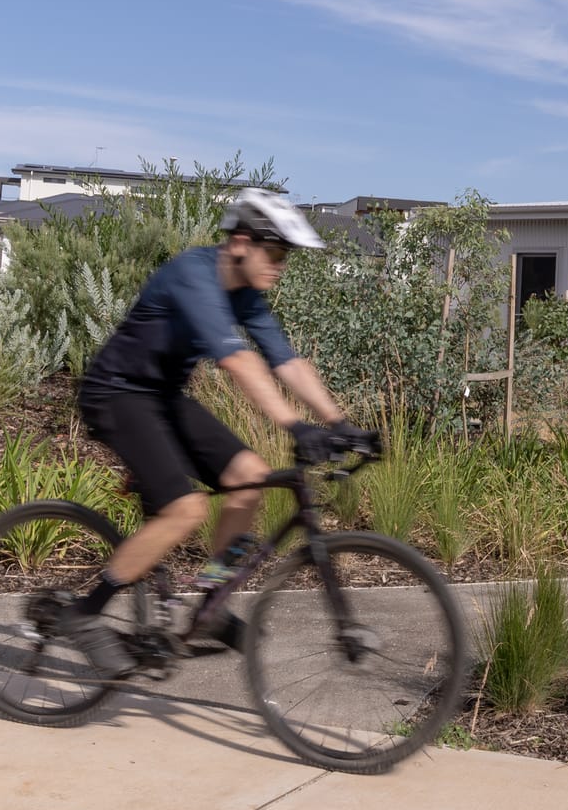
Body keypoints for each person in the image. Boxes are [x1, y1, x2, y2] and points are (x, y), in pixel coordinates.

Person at [60, 189, 363, 677]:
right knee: (187, 509)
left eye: (286, 256)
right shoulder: (193, 274)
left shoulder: (246, 295)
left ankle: (211, 601)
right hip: (115, 394)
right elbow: (237, 359)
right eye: (276, 252)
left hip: (163, 397)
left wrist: (340, 423)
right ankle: (84, 613)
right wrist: (291, 424)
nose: (281, 265)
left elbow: (285, 360)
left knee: (250, 478)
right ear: (241, 242)